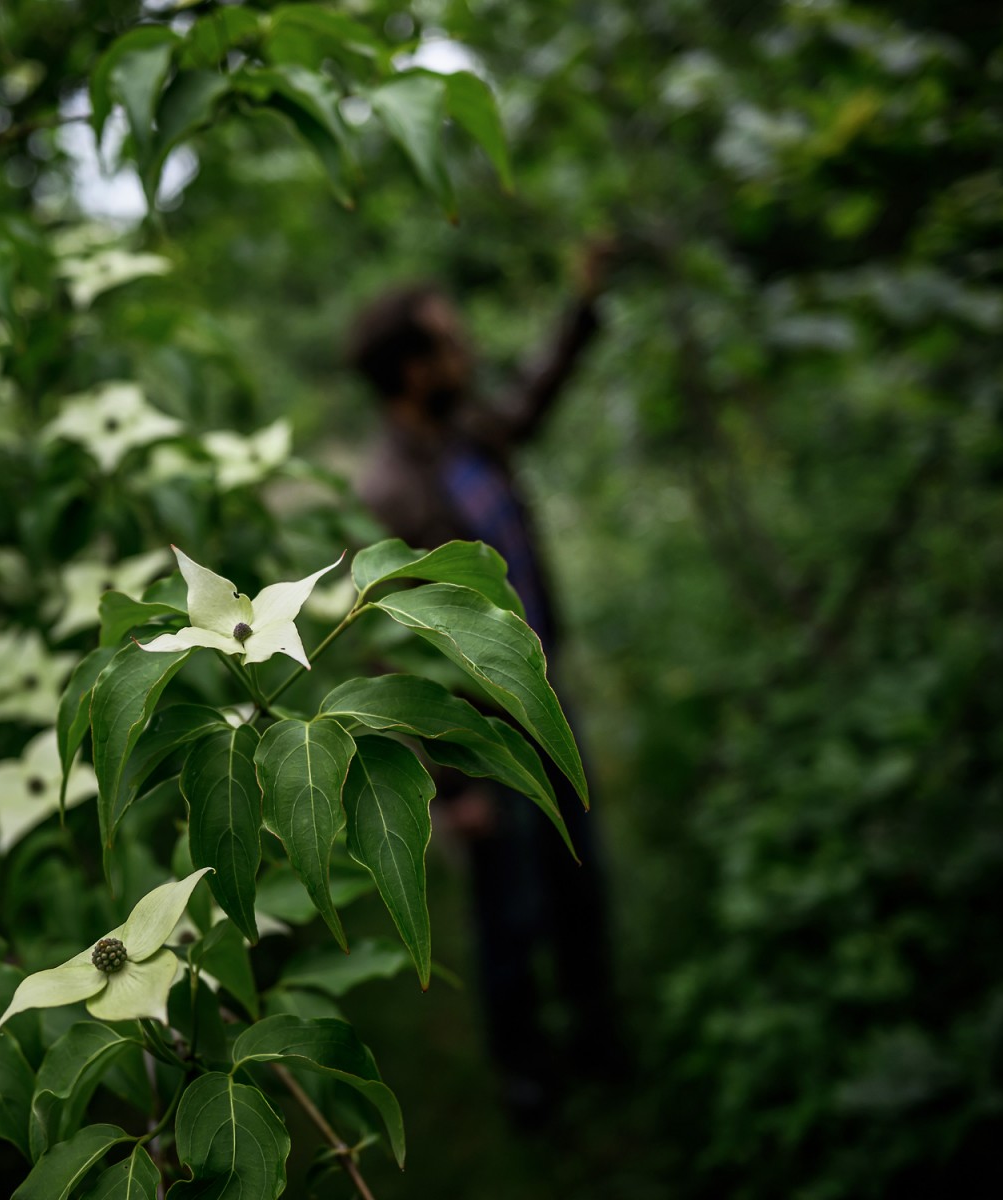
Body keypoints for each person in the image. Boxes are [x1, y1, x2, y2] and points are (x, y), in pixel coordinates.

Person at [346, 239, 624, 1129]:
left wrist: (581, 308)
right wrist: (450, 780)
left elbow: (532, 404)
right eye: (451, 344)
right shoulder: (388, 492)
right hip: (482, 738)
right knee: (511, 912)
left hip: (544, 706)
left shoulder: (468, 434)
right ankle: (527, 1079)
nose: (467, 355)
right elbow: (391, 645)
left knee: (581, 881)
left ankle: (598, 1039)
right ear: (411, 370)